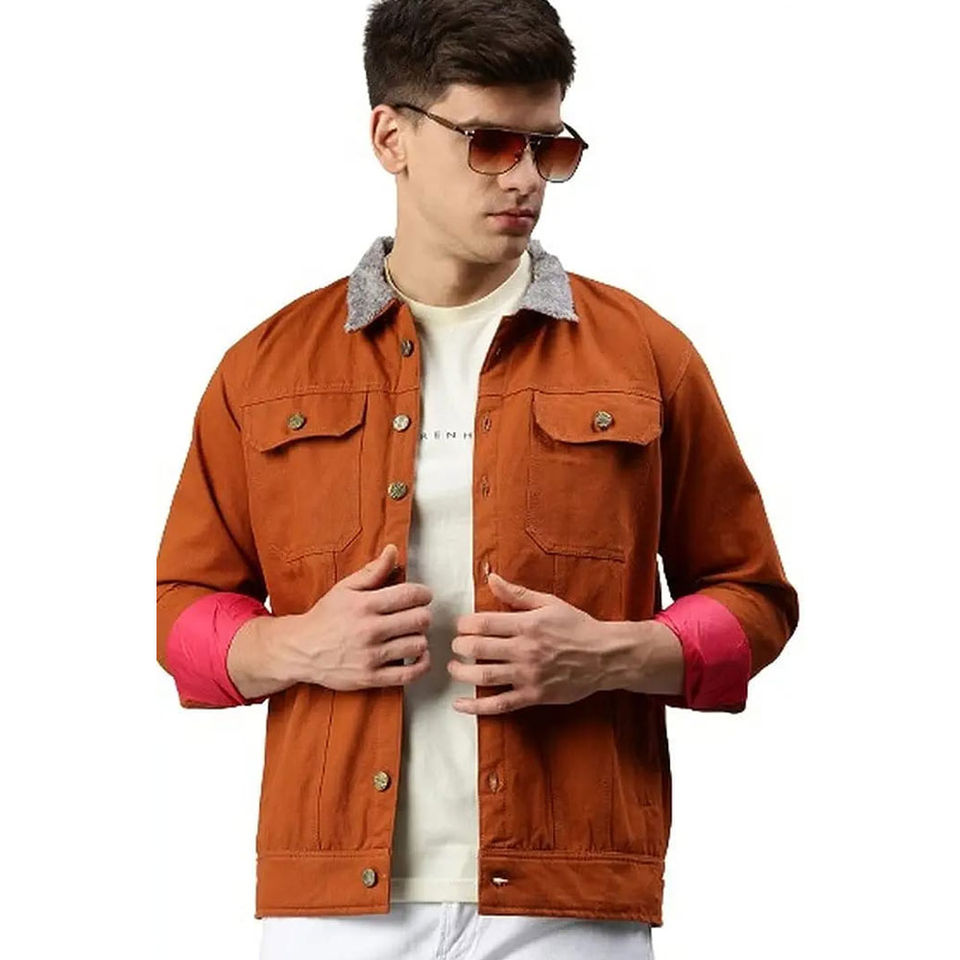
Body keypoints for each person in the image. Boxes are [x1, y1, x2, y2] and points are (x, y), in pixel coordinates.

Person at [155, 1, 800, 957]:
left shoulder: (645, 356)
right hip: (332, 902)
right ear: (392, 137)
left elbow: (754, 601)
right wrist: (296, 645)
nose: (528, 178)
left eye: (550, 147)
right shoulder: (266, 369)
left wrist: (611, 656)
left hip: (568, 897)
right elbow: (184, 615)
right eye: (492, 142)